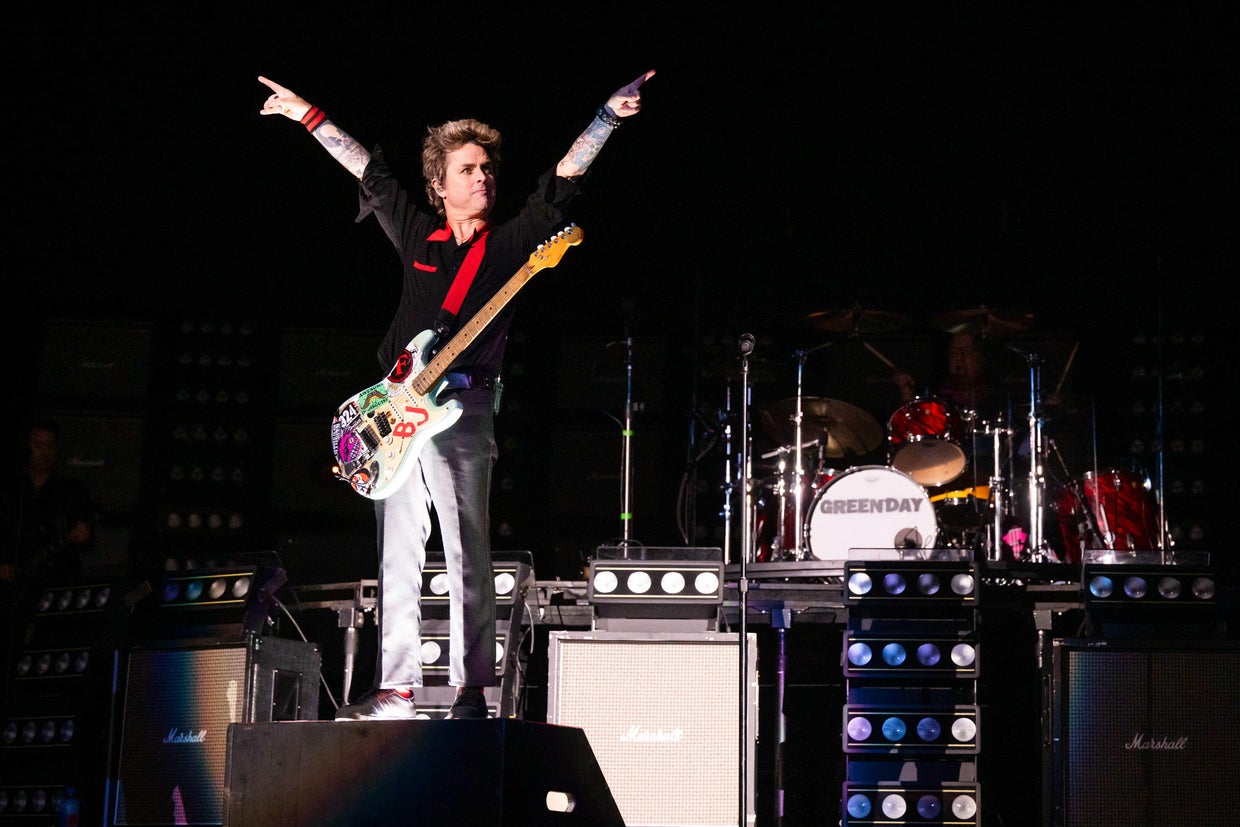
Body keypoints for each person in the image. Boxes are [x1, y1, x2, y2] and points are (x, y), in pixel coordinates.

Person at [258, 69, 655, 720]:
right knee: (397, 553)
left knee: (467, 551)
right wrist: (307, 114)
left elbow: (563, 179)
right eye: (467, 169)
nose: (482, 177)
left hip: (462, 407)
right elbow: (367, 171)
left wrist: (606, 118)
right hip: (393, 407)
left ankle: (473, 691)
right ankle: (397, 689)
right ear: (439, 185)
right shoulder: (418, 236)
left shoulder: (512, 242)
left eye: (488, 168)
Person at [2, 417, 96, 606]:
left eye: (50, 446)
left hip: (59, 587)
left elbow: (87, 541)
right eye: (38, 446)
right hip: (15, 590)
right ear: (27, 447)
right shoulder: (10, 491)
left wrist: (84, 536)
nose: (45, 452)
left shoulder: (72, 490)